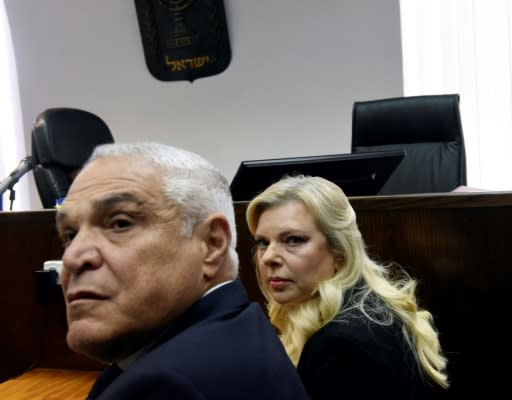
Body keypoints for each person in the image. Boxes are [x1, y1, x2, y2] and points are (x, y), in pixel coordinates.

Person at [55, 142, 310, 400]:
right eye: (70, 235)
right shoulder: (236, 328)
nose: (72, 257)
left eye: (120, 224)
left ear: (212, 244)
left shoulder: (166, 387)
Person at [245, 175, 449, 399]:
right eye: (263, 243)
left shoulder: (342, 346)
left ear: (340, 252)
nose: (268, 257)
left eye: (293, 240)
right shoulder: (373, 307)